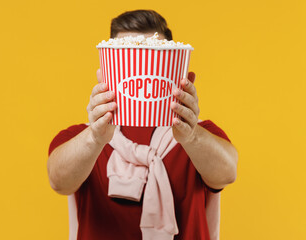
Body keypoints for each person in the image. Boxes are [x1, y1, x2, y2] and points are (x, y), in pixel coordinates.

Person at [47, 9, 238, 240]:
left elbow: (227, 173)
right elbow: (58, 181)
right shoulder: (84, 137)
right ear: (106, 73)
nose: (143, 72)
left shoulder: (198, 135)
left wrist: (191, 136)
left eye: (154, 58)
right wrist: (95, 137)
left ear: (181, 75)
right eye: (128, 57)